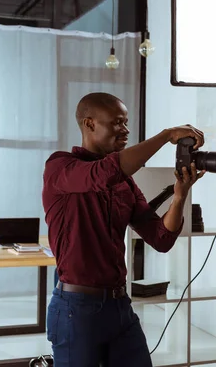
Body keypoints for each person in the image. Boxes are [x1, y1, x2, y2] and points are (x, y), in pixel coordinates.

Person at [42, 92, 206, 366]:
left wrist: (179, 197)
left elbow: (161, 238)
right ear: (89, 123)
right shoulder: (60, 167)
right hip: (76, 309)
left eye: (126, 122)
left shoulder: (124, 183)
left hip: (119, 307)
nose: (126, 130)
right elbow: (104, 173)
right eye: (117, 123)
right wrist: (166, 135)